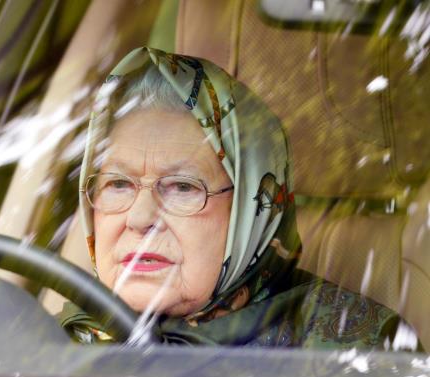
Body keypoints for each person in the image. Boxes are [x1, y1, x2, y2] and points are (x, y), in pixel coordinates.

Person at [58, 47, 415, 349]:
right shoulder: (51, 339)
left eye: (183, 187)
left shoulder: (359, 347)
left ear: (249, 215)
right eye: (118, 184)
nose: (139, 218)